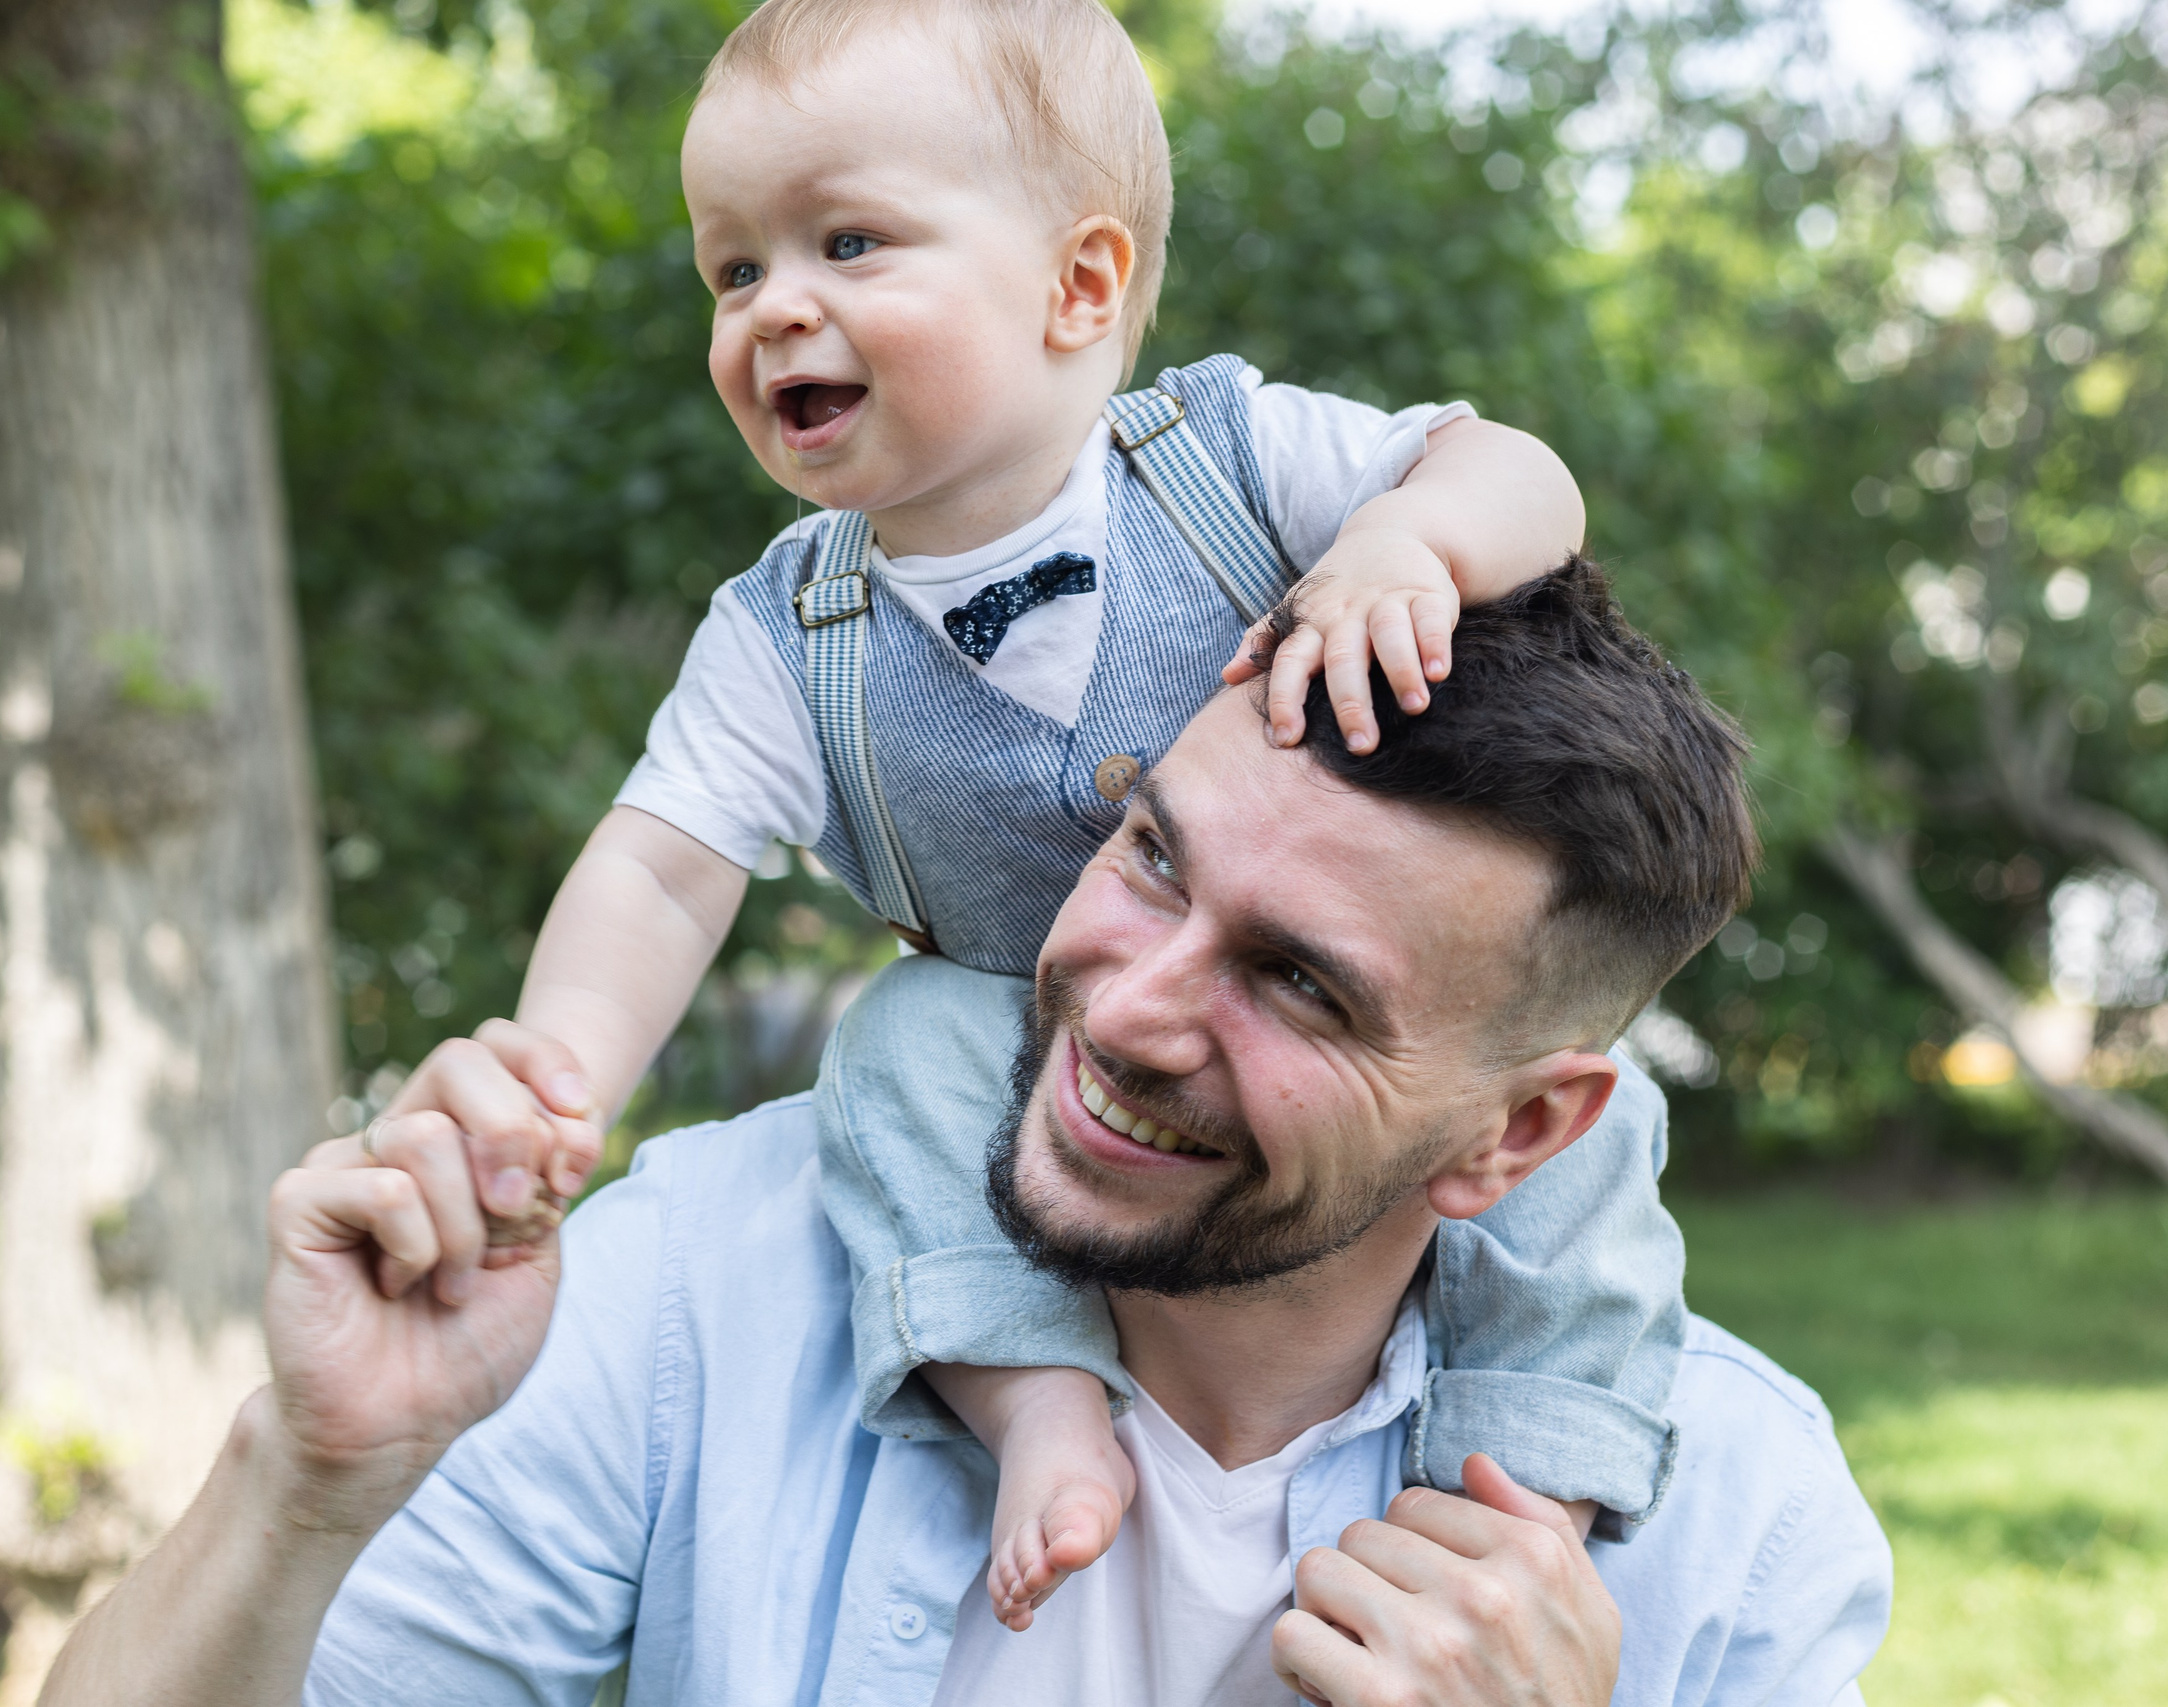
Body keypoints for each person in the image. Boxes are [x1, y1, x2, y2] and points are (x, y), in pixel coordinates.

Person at [39, 562, 1893, 1707]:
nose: (1129, 1003)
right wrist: (307, 1476)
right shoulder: (701, 1282)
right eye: (1153, 853)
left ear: (1522, 1131)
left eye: (1301, 987)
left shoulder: (1728, 1527)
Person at [425, 0, 1689, 1628]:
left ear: (1079, 286)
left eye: (848, 241)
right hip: (1018, 1022)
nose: (772, 308)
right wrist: (563, 1075)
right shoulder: (779, 632)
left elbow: (1516, 469)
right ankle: (1036, 1410)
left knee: (1597, 1137)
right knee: (892, 1060)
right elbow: (663, 868)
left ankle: (1535, 1488)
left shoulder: (1231, 457)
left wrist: (1419, 545)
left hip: (1273, 1036)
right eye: (732, 270)